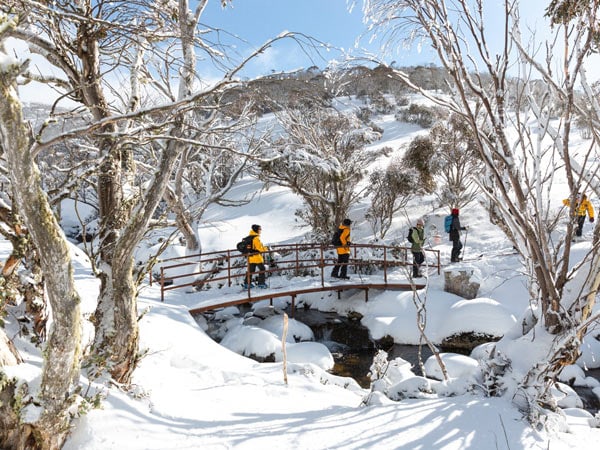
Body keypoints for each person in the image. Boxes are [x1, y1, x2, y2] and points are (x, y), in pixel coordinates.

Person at [243, 224, 269, 289]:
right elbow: (260, 248)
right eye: (259, 229)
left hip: (250, 257)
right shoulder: (256, 238)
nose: (261, 230)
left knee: (250, 271)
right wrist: (266, 248)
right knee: (262, 269)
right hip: (257, 257)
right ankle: (261, 284)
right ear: (256, 230)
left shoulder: (249, 237)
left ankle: (247, 284)